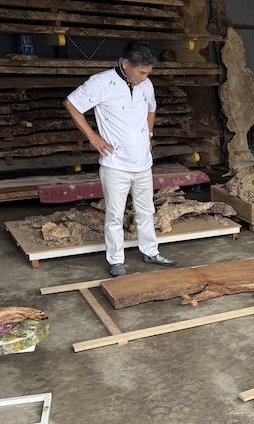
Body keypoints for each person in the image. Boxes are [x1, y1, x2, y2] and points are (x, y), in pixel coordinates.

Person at [64, 41, 177, 277]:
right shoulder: (101, 83)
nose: (145, 78)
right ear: (126, 64)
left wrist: (149, 135)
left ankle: (151, 251)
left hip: (143, 162)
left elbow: (151, 109)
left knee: (146, 210)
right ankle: (116, 260)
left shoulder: (146, 85)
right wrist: (93, 137)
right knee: (115, 215)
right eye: (142, 72)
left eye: (148, 73)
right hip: (115, 163)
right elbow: (71, 104)